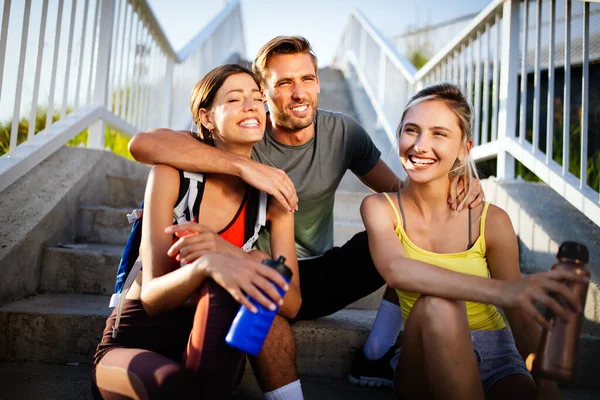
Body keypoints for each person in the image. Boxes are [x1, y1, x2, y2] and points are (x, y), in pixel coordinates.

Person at [127, 36, 486, 399]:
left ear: (318, 82)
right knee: (260, 295)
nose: (299, 93)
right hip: (253, 269)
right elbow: (143, 144)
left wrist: (455, 182)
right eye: (283, 83)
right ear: (263, 92)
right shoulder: (243, 129)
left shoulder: (342, 133)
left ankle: (375, 353)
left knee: (404, 225)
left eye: (307, 79)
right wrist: (243, 167)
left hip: (315, 274)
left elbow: (404, 193)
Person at [360, 83, 586, 399]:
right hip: (422, 350)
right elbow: (397, 271)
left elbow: (521, 320)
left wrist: (548, 389)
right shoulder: (381, 208)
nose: (421, 145)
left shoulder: (490, 220)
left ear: (464, 149)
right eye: (412, 130)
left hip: (498, 355)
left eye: (439, 134)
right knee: (437, 303)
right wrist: (507, 291)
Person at [92, 64, 300, 399]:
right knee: (177, 387)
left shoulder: (272, 198)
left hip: (212, 352)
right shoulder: (172, 176)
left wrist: (226, 253)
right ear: (205, 118)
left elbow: (290, 304)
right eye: (234, 99)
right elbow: (153, 299)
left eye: (257, 98)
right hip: (136, 347)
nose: (250, 106)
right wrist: (205, 265)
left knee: (232, 281)